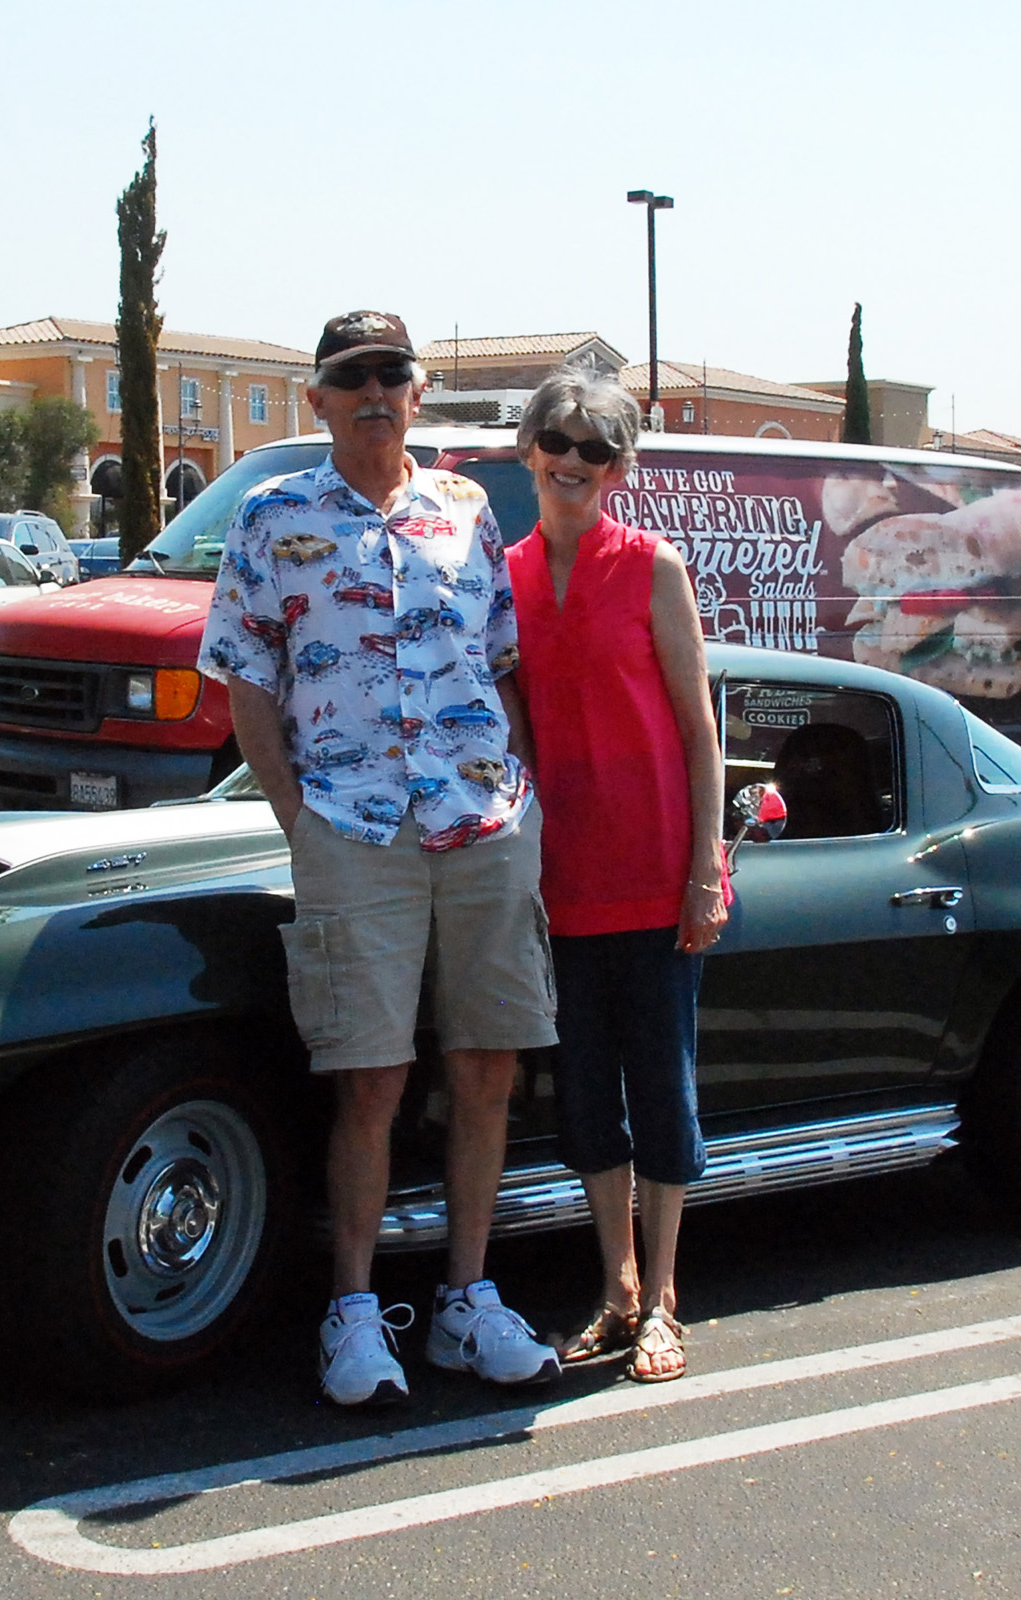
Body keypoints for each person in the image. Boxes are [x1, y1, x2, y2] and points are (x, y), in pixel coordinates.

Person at [199, 310, 561, 1408]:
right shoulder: (272, 517)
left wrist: (522, 793)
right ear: (318, 399)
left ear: (416, 392)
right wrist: (293, 813)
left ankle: (466, 1299)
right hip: (352, 829)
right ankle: (353, 1313)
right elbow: (245, 679)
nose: (373, 392)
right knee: (369, 1077)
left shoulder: (465, 512)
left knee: (488, 1066)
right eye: (350, 376)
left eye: (391, 374)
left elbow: (503, 662)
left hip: (480, 824)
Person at [503, 367, 728, 1384]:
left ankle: (668, 1297)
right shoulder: (500, 576)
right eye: (559, 440)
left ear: (621, 468)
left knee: (662, 1091)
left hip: (653, 871)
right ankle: (618, 1287)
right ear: (528, 451)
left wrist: (704, 870)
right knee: (587, 1099)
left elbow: (700, 730)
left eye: (598, 448)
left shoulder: (652, 568)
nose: (575, 461)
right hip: (559, 880)